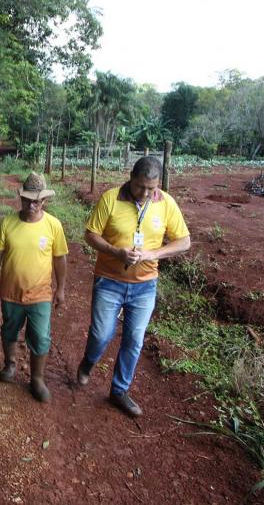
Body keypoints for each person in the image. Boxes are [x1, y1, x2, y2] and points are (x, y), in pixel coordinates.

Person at [77, 156, 190, 418]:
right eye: (141, 187)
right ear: (131, 178)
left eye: (152, 188)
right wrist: (116, 252)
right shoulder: (110, 198)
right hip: (109, 281)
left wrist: (153, 254)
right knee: (101, 335)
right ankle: (88, 362)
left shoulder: (165, 203)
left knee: (134, 340)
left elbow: (184, 241)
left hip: (144, 286)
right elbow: (90, 234)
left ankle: (119, 390)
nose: (146, 193)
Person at [0, 172, 67, 403]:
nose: (32, 204)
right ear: (21, 199)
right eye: (27, 200)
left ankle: (37, 378)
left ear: (44, 201)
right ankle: (10, 365)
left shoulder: (53, 226)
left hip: (40, 293)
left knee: (40, 336)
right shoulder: (8, 222)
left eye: (36, 201)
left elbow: (60, 259)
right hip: (10, 292)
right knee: (9, 330)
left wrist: (60, 289)